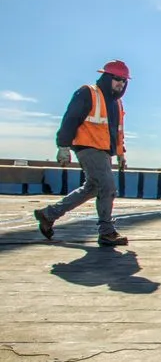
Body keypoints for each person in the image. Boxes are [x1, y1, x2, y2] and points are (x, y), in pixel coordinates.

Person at [34, 60, 131, 247]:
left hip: (104, 151)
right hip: (87, 147)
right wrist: (63, 146)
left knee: (93, 188)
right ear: (106, 77)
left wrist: (120, 154)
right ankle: (106, 231)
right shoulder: (89, 93)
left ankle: (49, 214)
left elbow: (117, 132)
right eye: (117, 79)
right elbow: (71, 118)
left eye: (124, 80)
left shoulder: (117, 103)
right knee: (108, 186)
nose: (120, 83)